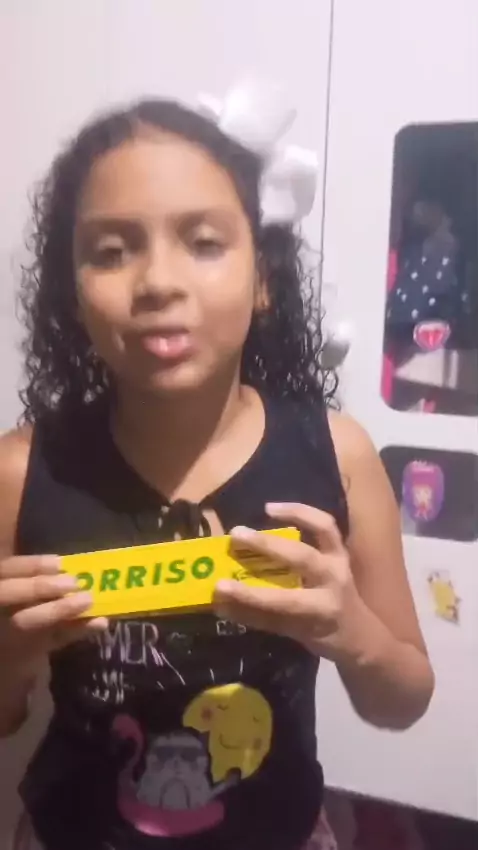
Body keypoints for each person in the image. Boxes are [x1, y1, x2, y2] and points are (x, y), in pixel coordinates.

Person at [0, 83, 434, 850]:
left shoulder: (339, 456)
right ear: (72, 292)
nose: (158, 283)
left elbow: (401, 702)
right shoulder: (19, 472)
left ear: (263, 277)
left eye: (203, 242)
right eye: (111, 251)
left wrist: (351, 632)